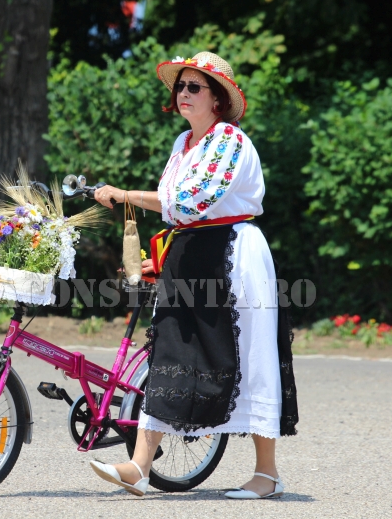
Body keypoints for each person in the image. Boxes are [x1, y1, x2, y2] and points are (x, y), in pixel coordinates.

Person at [91, 52, 299, 499]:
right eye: (179, 87)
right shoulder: (183, 143)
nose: (183, 93)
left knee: (250, 356)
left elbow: (190, 202)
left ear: (218, 98)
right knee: (169, 352)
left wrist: (124, 194)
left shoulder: (230, 140)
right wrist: (162, 255)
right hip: (192, 252)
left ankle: (267, 474)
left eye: (194, 87)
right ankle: (139, 468)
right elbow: (180, 216)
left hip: (234, 254)